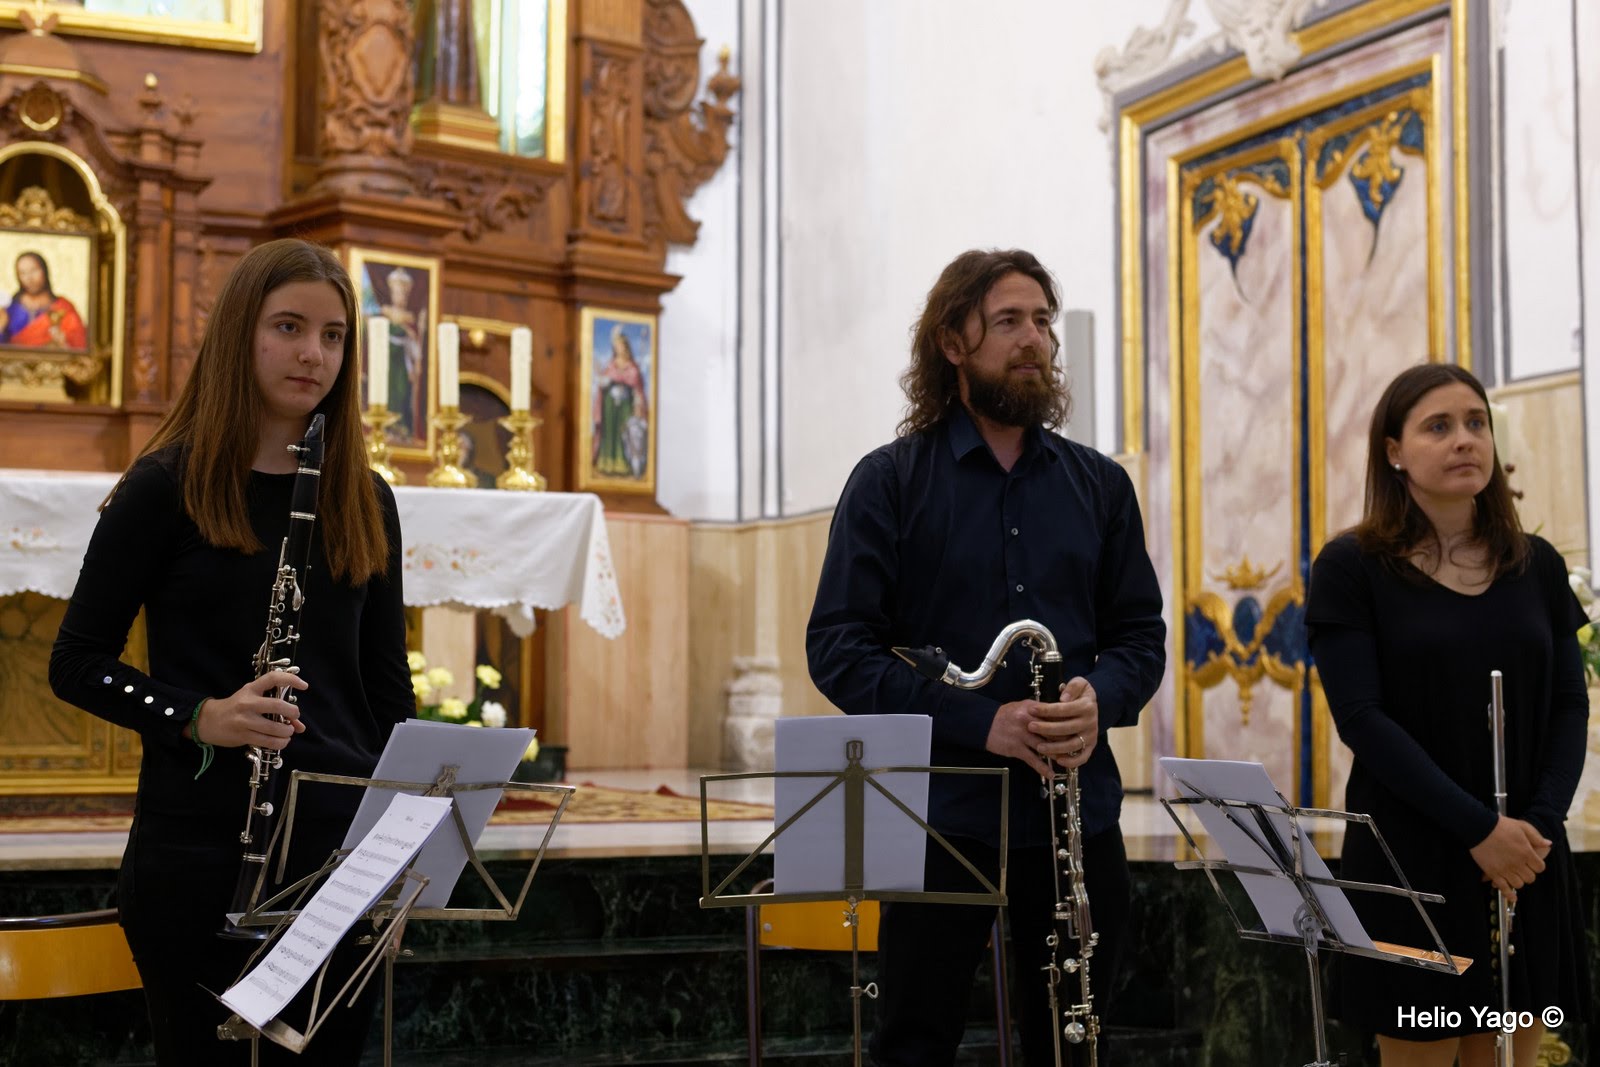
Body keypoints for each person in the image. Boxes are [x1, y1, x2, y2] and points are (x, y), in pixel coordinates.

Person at [49, 238, 414, 1065]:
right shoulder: (166, 485)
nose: (313, 353)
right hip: (200, 852)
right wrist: (199, 714)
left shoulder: (366, 497)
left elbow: (388, 692)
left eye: (332, 335)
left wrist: (403, 834)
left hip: (336, 861)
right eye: (288, 326)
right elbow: (75, 661)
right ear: (239, 334)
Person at [806, 248, 1166, 1066]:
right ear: (952, 342)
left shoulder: (1100, 487)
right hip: (940, 814)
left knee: (1071, 1043)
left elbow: (1141, 637)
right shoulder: (889, 482)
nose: (1033, 338)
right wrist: (982, 722)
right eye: (1007, 321)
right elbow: (837, 647)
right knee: (915, 1039)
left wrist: (1099, 697)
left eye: (1041, 321)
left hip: (1077, 809)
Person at [1306, 363, 1589, 1067]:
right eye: (1439, 425)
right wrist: (1480, 829)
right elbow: (1363, 719)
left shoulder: (1538, 565)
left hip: (1526, 860)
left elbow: (1568, 704)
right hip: (1414, 857)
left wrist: (1536, 831)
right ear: (1394, 450)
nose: (1465, 439)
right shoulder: (1352, 567)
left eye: (1476, 423)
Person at [1, 251, 89, 349]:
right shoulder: (9, 308)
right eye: (23, 273)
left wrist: (63, 344)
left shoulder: (64, 308)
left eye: (34, 270)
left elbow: (80, 348)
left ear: (44, 271)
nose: (29, 278)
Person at [592, 324, 648, 477]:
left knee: (625, 435)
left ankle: (624, 464)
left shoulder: (632, 368)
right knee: (609, 434)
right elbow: (604, 382)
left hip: (625, 407)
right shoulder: (611, 365)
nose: (618, 348)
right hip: (610, 407)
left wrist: (637, 406)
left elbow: (638, 389)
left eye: (621, 345)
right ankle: (606, 462)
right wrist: (605, 382)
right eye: (616, 346)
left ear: (626, 346)